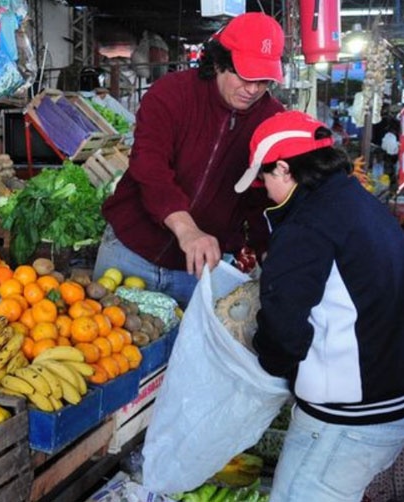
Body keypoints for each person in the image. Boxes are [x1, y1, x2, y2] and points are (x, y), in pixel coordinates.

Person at [235, 110, 404, 501]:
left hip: (344, 423)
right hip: (386, 405)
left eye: (264, 178)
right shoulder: (359, 204)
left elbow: (283, 332)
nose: (264, 189)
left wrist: (264, 359)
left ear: (282, 169)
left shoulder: (307, 226)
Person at [93, 12, 286, 306]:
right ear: (220, 61)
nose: (252, 89)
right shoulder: (171, 93)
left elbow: (263, 199)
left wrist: (268, 252)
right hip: (130, 252)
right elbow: (149, 166)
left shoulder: (271, 119)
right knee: (107, 346)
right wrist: (187, 229)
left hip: (201, 271)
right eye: (245, 76)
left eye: (263, 81)